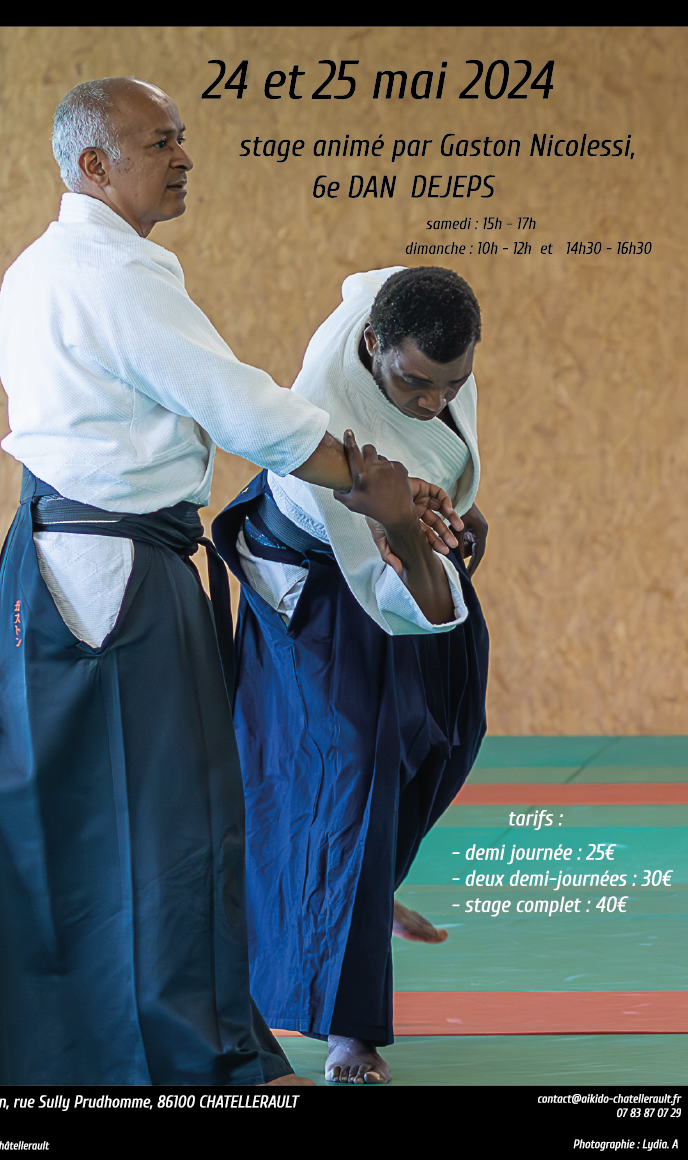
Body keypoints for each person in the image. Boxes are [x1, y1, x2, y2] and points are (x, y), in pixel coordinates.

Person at [0, 80, 457, 1087]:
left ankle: (52, 1058)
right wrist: (371, 482)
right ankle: (216, 1062)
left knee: (55, 821)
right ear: (94, 165)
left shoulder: (40, 267)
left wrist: (378, 480)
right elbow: (245, 411)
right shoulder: (111, 277)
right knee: (179, 824)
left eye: (181, 137)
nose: (181, 157)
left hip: (54, 565)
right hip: (117, 577)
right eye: (157, 143)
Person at [212, 266, 490, 1085]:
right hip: (318, 577)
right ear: (372, 345)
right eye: (416, 383)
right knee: (353, 769)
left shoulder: (404, 316)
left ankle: (366, 890)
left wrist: (456, 497)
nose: (434, 401)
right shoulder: (327, 424)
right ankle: (349, 1032)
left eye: (453, 384)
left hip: (396, 537)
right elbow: (413, 603)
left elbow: (379, 278)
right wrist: (405, 520)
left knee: (452, 725)